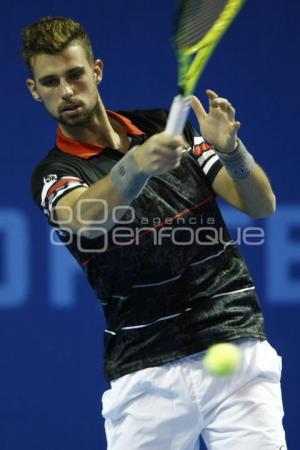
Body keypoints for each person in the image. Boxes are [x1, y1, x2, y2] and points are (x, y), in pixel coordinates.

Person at [22, 16, 287, 450]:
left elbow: (261, 204)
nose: (66, 91)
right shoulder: (55, 174)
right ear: (35, 90)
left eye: (74, 75)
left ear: (97, 71)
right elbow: (85, 217)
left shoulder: (171, 126)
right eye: (50, 82)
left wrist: (231, 150)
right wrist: (137, 166)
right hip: (145, 374)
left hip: (235, 351)